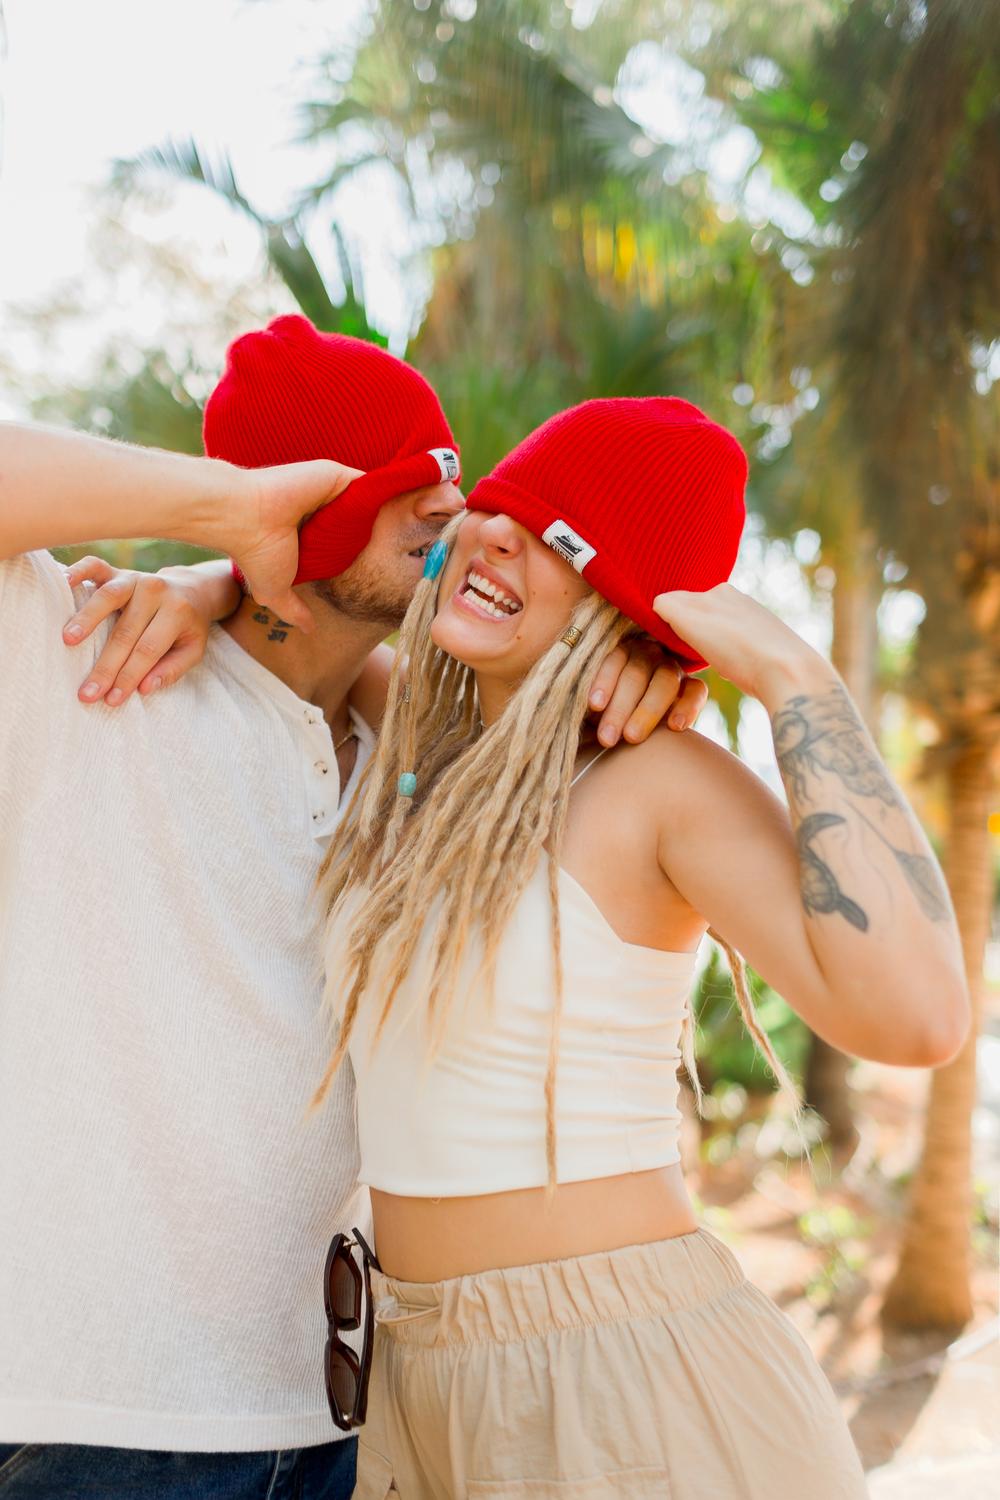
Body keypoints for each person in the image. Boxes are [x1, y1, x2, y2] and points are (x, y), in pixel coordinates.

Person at [0, 318, 693, 1499]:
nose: (454, 510)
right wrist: (229, 523)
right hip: (91, 1426)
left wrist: (630, 656)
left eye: (450, 477)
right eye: (405, 483)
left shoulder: (416, 764)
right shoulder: (83, 659)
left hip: (340, 1424)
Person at [316, 396, 970, 1499]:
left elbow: (919, 1017)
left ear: (625, 607)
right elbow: (292, 642)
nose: (499, 539)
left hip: (616, 1373)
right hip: (414, 1378)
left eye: (561, 541)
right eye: (503, 507)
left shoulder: (656, 784)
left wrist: (792, 679)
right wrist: (191, 588)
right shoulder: (418, 760)